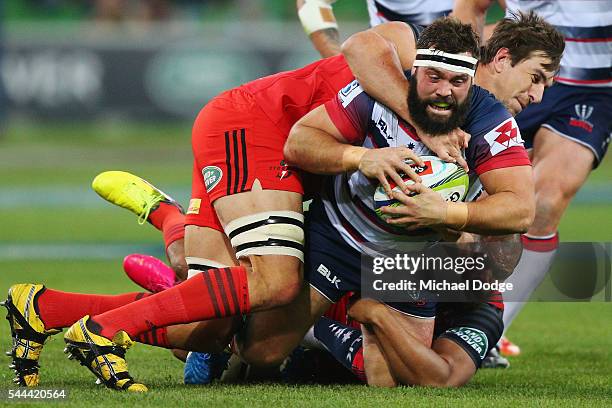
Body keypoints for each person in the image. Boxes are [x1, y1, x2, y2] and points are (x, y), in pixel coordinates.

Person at [2, 19, 468, 391]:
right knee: (275, 281)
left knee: (202, 332)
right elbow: (359, 48)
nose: (532, 97)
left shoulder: (472, 120)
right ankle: (105, 330)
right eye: (533, 81)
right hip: (260, 130)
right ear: (494, 61)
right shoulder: (410, 43)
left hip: (257, 145)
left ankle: (46, 307)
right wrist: (426, 125)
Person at [487, 0, 612, 359]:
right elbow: (472, 9)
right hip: (516, 74)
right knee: (461, 187)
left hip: (593, 89)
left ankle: (489, 333)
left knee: (543, 203)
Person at [296, 0, 495, 58]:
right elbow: (312, 5)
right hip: (387, 67)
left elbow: (521, 17)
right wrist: (338, 60)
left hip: (464, 69)